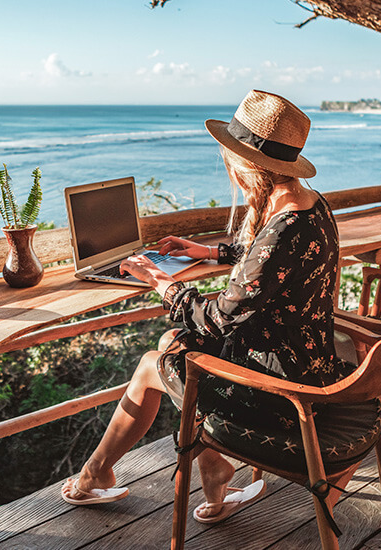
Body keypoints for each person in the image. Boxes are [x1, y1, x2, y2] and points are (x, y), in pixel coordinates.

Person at [61, 90, 350, 523]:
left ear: (248, 166)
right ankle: (213, 480)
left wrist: (160, 281)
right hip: (308, 364)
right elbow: (269, 264)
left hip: (284, 393)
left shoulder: (283, 227)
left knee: (151, 365)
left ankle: (93, 475)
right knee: (171, 342)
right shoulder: (308, 204)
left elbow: (219, 320)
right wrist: (209, 252)